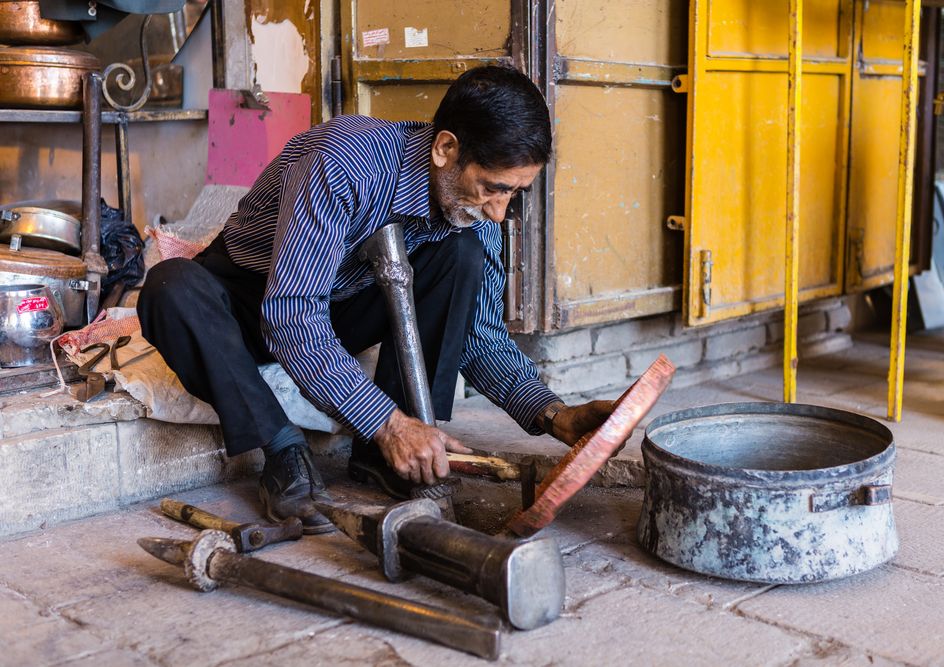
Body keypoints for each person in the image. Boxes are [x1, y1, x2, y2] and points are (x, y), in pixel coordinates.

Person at [138, 66, 614, 534]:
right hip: (246, 300)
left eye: (515, 193)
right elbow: (291, 315)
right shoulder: (344, 159)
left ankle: (384, 454)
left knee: (462, 253)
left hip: (339, 302)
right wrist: (384, 422)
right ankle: (283, 447)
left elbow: (477, 334)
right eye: (494, 188)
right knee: (169, 287)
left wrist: (553, 415)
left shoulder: (474, 216)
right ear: (446, 149)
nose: (499, 210)